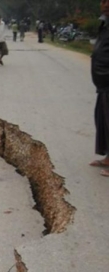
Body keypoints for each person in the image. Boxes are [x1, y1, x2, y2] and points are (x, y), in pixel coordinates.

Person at [89, 0, 109, 177]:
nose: (106, 4)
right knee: (103, 121)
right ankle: (108, 157)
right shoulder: (104, 23)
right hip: (103, 84)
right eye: (103, 1)